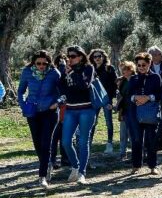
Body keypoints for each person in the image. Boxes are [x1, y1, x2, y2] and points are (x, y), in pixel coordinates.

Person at [18, 50, 61, 188]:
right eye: (39, 63)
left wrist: (57, 103)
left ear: (48, 63)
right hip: (32, 112)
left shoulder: (54, 73)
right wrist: (23, 105)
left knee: (46, 142)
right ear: (34, 62)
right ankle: (47, 164)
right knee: (37, 142)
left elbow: (63, 92)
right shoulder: (27, 72)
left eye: (44, 63)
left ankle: (42, 176)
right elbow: (21, 91)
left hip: (49, 111)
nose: (41, 66)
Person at [59, 46, 96, 185]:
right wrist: (64, 75)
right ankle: (75, 166)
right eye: (68, 56)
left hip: (86, 109)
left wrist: (73, 72)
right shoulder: (66, 69)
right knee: (66, 142)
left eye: (73, 56)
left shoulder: (88, 68)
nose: (70, 59)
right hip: (70, 109)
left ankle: (82, 173)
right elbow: (61, 86)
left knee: (83, 141)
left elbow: (84, 85)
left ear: (80, 56)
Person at [126, 52, 162, 174]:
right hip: (135, 112)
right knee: (136, 139)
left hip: (151, 113)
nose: (141, 67)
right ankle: (136, 165)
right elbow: (128, 95)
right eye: (139, 65)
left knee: (151, 140)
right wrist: (135, 98)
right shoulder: (133, 78)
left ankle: (153, 166)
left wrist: (148, 97)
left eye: (144, 64)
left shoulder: (156, 77)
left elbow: (160, 94)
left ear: (149, 63)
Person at [87, 49, 117, 154]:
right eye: (95, 57)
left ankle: (109, 144)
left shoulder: (109, 69)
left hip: (106, 99)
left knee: (108, 122)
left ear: (103, 57)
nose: (97, 58)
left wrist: (111, 99)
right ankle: (88, 143)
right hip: (94, 99)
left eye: (99, 56)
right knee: (93, 122)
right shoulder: (91, 69)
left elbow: (115, 84)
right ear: (92, 58)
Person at [115, 61, 135, 161]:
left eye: (125, 69)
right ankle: (122, 153)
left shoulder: (135, 80)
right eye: (122, 69)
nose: (123, 71)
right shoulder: (122, 81)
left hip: (133, 110)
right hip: (124, 110)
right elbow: (120, 96)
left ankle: (135, 154)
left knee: (132, 134)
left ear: (131, 70)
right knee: (123, 134)